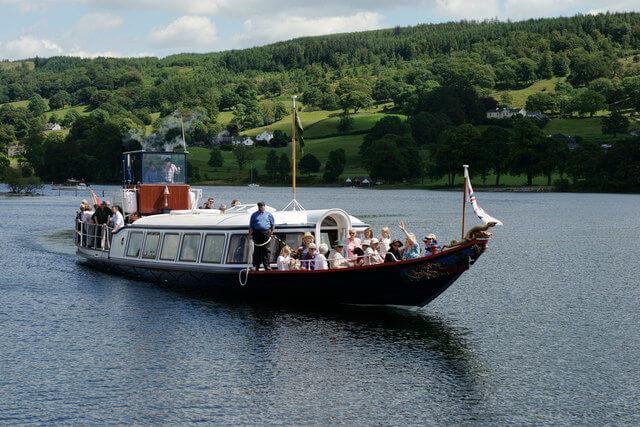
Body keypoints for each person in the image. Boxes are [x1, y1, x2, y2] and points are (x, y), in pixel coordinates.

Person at [248, 201, 275, 271]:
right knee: (257, 251)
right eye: (259, 206)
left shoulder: (269, 214)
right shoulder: (254, 215)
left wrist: (271, 233)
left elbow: (273, 225)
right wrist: (250, 234)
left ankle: (267, 266)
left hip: (265, 233)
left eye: (262, 205)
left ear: (264, 206)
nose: (260, 207)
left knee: (266, 250)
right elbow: (250, 226)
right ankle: (255, 266)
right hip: (257, 233)